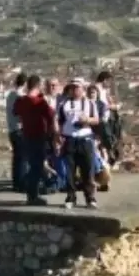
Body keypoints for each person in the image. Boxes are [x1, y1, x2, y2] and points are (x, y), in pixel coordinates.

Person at [56, 78, 102, 209]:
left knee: (87, 169)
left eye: (77, 87)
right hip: (70, 139)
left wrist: (87, 120)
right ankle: (71, 196)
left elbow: (97, 120)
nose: (74, 90)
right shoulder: (64, 104)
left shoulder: (90, 104)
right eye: (72, 87)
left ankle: (90, 197)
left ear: (82, 89)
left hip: (85, 139)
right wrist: (58, 136)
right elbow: (59, 121)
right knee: (70, 170)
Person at [12, 75, 56, 206]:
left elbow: (15, 112)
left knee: (33, 165)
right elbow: (51, 115)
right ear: (38, 86)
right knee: (36, 167)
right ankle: (32, 196)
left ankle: (32, 194)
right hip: (38, 136)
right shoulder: (39, 102)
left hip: (26, 136)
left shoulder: (21, 101)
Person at [5, 73, 27, 191]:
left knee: (16, 158)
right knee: (22, 157)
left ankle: (16, 182)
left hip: (11, 129)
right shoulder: (20, 96)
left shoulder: (10, 95)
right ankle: (21, 183)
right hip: (19, 129)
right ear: (25, 83)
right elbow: (20, 113)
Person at [94, 69, 123, 162]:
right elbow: (100, 104)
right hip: (101, 118)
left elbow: (108, 101)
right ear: (105, 80)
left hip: (107, 117)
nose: (110, 84)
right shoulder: (96, 88)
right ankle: (111, 149)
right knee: (107, 136)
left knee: (116, 126)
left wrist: (113, 103)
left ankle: (112, 148)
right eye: (109, 81)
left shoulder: (104, 90)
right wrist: (112, 106)